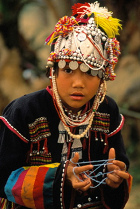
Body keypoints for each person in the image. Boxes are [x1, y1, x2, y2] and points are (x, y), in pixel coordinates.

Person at [0, 2, 132, 209]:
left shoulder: (107, 109)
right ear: (53, 71)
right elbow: (3, 177)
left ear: (102, 78)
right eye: (68, 70)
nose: (78, 83)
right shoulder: (24, 111)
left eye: (90, 72)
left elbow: (119, 167)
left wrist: (114, 179)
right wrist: (61, 177)